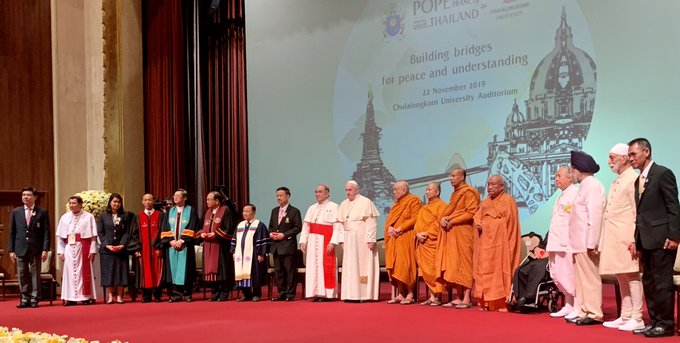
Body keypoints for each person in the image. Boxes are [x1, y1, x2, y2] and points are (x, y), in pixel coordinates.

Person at [628, 138, 680, 338]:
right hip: (645, 238)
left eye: (634, 154)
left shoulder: (662, 173)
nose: (630, 158)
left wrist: (675, 236)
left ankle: (665, 325)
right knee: (648, 283)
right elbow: (640, 214)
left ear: (646, 152)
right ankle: (654, 321)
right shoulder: (637, 180)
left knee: (661, 283)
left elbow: (673, 206)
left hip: (662, 239)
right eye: (630, 155)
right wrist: (636, 239)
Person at [598, 144, 644, 331]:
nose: (609, 162)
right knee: (620, 275)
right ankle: (625, 315)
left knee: (632, 275)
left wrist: (635, 238)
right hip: (614, 236)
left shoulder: (634, 178)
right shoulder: (617, 181)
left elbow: (636, 211)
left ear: (624, 158)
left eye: (612, 157)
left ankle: (638, 317)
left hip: (627, 237)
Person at [565, 150, 605, 326]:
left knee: (589, 278)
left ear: (577, 169)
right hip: (578, 243)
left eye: (571, 171)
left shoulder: (592, 186)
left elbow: (594, 216)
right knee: (580, 280)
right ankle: (583, 309)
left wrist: (592, 242)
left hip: (586, 242)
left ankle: (594, 312)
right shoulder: (585, 186)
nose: (570, 174)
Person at [472, 174, 521, 312]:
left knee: (500, 272)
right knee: (484, 271)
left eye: (494, 184)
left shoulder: (508, 200)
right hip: (486, 246)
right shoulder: (486, 201)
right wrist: (479, 223)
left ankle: (502, 302)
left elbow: (509, 224)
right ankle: (486, 302)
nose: (490, 187)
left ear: (502, 186)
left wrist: (487, 226)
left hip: (501, 246)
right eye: (489, 184)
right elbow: (477, 216)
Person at [436, 168, 480, 308]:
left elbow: (471, 212)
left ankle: (467, 297)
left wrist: (451, 220)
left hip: (464, 232)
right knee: (455, 263)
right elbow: (452, 212)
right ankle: (459, 296)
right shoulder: (455, 194)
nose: (450, 178)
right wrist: (443, 219)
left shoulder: (469, 192)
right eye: (450, 176)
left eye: (453, 176)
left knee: (465, 264)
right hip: (453, 233)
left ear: (462, 177)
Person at [336, 180, 380, 302]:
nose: (347, 192)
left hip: (362, 240)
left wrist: (371, 239)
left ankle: (362, 294)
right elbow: (340, 224)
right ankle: (349, 294)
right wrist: (341, 240)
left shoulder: (366, 202)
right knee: (349, 266)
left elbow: (371, 223)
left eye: (350, 190)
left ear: (357, 189)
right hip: (348, 240)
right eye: (346, 190)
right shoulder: (343, 204)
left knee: (362, 265)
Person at [545, 167, 579, 319]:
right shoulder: (561, 196)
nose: (556, 179)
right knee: (558, 274)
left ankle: (578, 306)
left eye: (559, 176)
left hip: (566, 243)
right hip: (556, 242)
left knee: (569, 276)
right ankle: (569, 305)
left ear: (570, 178)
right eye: (555, 176)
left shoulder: (575, 193)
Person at [8, 187, 50, 308]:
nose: (26, 197)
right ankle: (24, 298)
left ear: (35, 197)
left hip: (36, 248)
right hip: (20, 247)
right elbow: (12, 232)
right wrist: (11, 250)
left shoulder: (42, 212)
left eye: (28, 195)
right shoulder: (16, 212)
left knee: (35, 273)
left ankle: (34, 298)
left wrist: (45, 249)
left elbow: (46, 232)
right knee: (22, 274)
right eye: (24, 195)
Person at [300, 184, 341, 301]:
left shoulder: (334, 206)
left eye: (320, 192)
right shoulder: (311, 208)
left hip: (326, 240)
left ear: (327, 193)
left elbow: (337, 226)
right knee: (314, 267)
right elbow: (306, 226)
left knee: (326, 267)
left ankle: (327, 294)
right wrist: (303, 241)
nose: (317, 194)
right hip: (313, 242)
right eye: (316, 192)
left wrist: (333, 242)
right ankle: (315, 293)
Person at [384, 180, 422, 305]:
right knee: (395, 265)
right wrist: (390, 228)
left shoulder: (414, 200)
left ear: (404, 190)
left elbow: (416, 218)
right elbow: (390, 220)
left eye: (396, 190)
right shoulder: (396, 204)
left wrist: (401, 228)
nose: (394, 192)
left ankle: (410, 293)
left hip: (406, 236)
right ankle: (401, 293)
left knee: (406, 264)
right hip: (394, 238)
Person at [56, 195, 98, 305]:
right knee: (70, 272)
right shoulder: (64, 217)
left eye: (74, 203)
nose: (71, 205)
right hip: (69, 248)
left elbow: (93, 236)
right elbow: (60, 237)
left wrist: (93, 250)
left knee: (82, 272)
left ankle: (85, 297)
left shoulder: (88, 217)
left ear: (80, 204)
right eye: (70, 203)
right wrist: (61, 251)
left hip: (83, 247)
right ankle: (70, 298)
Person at [160, 189, 199, 302]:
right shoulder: (169, 211)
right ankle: (176, 294)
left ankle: (187, 294)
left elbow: (192, 226)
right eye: (174, 196)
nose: (175, 198)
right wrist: (171, 241)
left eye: (178, 196)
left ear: (185, 198)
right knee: (173, 270)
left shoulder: (191, 211)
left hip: (185, 246)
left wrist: (182, 241)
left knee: (187, 269)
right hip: (172, 246)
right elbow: (165, 227)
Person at [198, 191, 235, 301]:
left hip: (221, 246)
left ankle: (223, 292)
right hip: (209, 245)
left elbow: (228, 229)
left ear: (217, 201)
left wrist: (215, 234)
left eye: (210, 199)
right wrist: (202, 233)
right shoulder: (208, 212)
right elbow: (203, 227)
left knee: (221, 270)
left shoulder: (225, 211)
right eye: (207, 199)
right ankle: (215, 292)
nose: (207, 201)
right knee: (210, 269)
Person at [414, 182, 447, 306]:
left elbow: (439, 224)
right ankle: (432, 296)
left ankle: (437, 296)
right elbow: (417, 224)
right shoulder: (423, 208)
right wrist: (417, 234)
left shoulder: (442, 206)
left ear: (437, 192)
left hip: (434, 243)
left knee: (434, 269)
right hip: (423, 242)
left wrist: (427, 233)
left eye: (429, 189)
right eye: (426, 190)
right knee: (426, 269)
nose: (427, 192)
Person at [97, 193, 134, 304]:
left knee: (120, 272)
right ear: (110, 202)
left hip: (121, 249)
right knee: (108, 273)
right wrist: (107, 245)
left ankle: (119, 296)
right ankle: (109, 296)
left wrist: (122, 245)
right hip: (107, 250)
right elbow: (100, 232)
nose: (116, 204)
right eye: (114, 202)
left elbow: (127, 232)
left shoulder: (125, 215)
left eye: (118, 202)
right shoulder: (103, 216)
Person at [268, 186, 302, 301]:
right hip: (276, 246)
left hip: (288, 246)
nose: (279, 198)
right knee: (279, 272)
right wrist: (271, 234)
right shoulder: (274, 211)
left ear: (288, 196)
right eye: (277, 196)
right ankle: (281, 293)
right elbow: (271, 226)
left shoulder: (294, 211)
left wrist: (284, 235)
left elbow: (298, 227)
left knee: (289, 271)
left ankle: (290, 294)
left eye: (281, 195)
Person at [129, 193, 165, 303]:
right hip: (143, 250)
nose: (148, 202)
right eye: (146, 200)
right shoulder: (138, 217)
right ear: (142, 202)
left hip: (156, 249)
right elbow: (133, 235)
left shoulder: (160, 215)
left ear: (153, 201)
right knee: (144, 272)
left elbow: (163, 232)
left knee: (157, 270)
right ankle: (146, 295)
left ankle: (157, 295)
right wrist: (136, 249)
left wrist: (160, 247)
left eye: (150, 200)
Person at [232, 204, 270, 301]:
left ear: (253, 212)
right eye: (244, 211)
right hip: (241, 255)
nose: (245, 213)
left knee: (255, 274)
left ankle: (256, 294)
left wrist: (261, 253)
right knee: (242, 273)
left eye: (247, 211)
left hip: (254, 255)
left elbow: (264, 240)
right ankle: (246, 294)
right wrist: (234, 252)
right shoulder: (240, 225)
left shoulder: (259, 225)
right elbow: (234, 240)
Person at [511, 232, 549, 308]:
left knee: (536, 267)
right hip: (541, 258)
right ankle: (520, 298)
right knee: (521, 270)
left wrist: (550, 253)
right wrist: (537, 248)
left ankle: (529, 298)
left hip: (553, 259)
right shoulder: (551, 230)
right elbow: (542, 244)